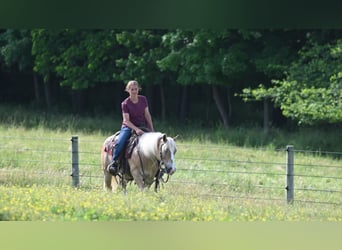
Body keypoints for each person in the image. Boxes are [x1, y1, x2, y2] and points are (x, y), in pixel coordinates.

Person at [107, 80, 154, 175]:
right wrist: (136, 129)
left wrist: (151, 129)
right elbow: (126, 120)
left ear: (139, 89)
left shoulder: (143, 99)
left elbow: (147, 115)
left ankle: (156, 166)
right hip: (128, 126)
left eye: (136, 89)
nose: (134, 91)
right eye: (132, 89)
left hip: (142, 125)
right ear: (128, 90)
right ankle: (115, 163)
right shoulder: (125, 103)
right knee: (120, 142)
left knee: (155, 143)